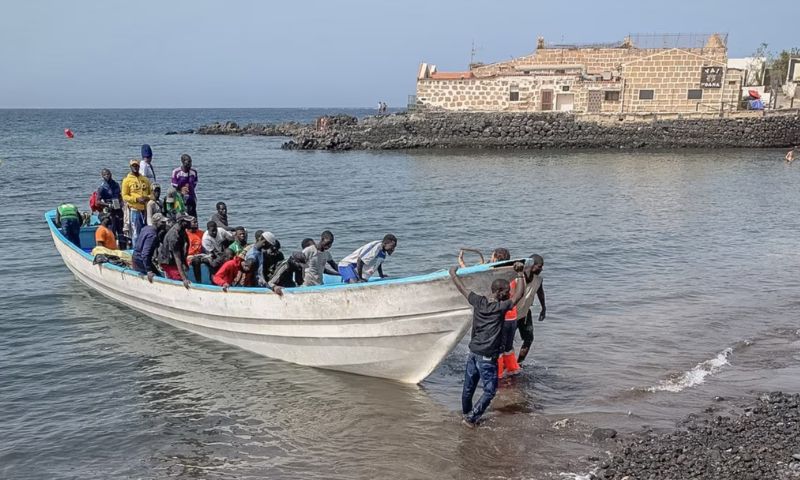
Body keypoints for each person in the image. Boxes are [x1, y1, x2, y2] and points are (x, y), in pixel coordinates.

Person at [449, 262, 526, 427]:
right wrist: (520, 274)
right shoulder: (499, 308)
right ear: (498, 292)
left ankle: (466, 413)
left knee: (468, 388)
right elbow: (519, 295)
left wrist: (453, 274)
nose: (508, 294)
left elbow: (462, 289)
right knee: (490, 392)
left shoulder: (478, 301)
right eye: (506, 291)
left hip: (473, 352)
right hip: (487, 356)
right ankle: (471, 418)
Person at [515, 255, 547, 363]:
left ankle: (519, 363)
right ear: (532, 265)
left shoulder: (539, 280)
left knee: (528, 339)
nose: (541, 269)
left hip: (525, 313)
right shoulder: (518, 276)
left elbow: (540, 293)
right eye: (539, 266)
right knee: (505, 341)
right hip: (512, 314)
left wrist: (543, 308)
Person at [121, 158, 152, 247]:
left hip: (145, 210)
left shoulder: (145, 179)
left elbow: (152, 194)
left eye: (137, 166)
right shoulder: (127, 180)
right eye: (133, 166)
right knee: (136, 233)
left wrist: (147, 198)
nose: (135, 167)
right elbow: (125, 196)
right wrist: (136, 199)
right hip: (135, 210)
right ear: (130, 167)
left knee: (146, 231)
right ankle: (136, 250)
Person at [157, 214, 193, 288]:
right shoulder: (174, 235)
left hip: (175, 259)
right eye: (188, 221)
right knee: (178, 279)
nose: (190, 223)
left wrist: (185, 263)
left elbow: (186, 245)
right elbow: (177, 258)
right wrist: (184, 279)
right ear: (182, 222)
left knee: (183, 274)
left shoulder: (182, 230)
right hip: (167, 261)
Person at [132, 213, 168, 282]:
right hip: (140, 260)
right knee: (158, 278)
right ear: (156, 223)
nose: (164, 224)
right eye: (162, 222)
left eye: (165, 222)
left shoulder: (146, 228)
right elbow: (145, 254)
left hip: (136, 256)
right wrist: (148, 271)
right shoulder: (152, 235)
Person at [96, 168, 126, 248]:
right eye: (105, 175)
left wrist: (121, 201)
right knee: (111, 229)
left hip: (118, 208)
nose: (107, 176)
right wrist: (107, 205)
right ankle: (111, 247)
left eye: (108, 174)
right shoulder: (102, 188)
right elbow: (97, 202)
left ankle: (123, 248)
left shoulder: (116, 184)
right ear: (102, 176)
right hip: (109, 209)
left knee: (121, 229)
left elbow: (119, 195)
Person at [171, 153, 198, 218]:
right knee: (181, 217)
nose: (190, 164)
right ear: (183, 162)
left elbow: (194, 184)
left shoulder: (193, 172)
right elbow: (174, 187)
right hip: (179, 199)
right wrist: (181, 192)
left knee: (193, 217)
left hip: (191, 198)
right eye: (188, 162)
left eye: (190, 162)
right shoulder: (176, 172)